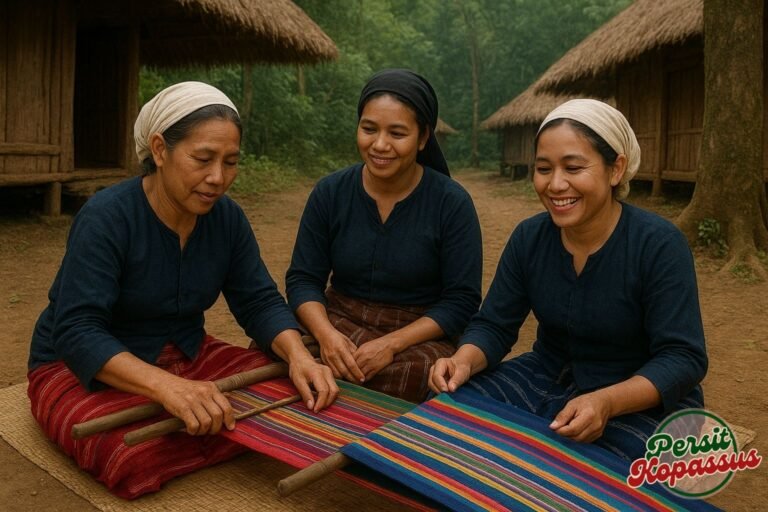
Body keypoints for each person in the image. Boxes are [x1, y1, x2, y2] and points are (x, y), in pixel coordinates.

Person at [27, 82, 337, 498]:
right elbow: (78, 330)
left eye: (230, 162)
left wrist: (300, 355)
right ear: (159, 150)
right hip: (83, 365)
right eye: (203, 159)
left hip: (184, 351)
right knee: (125, 452)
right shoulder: (107, 217)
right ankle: (206, 430)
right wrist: (166, 388)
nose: (218, 178)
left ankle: (200, 425)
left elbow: (257, 299)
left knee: (292, 395)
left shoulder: (226, 219)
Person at [429, 99, 708, 460]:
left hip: (637, 394)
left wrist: (606, 402)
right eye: (544, 169)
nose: (556, 184)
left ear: (616, 169)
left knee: (618, 475)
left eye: (573, 167)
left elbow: (683, 357)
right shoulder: (530, 238)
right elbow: (495, 324)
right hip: (545, 376)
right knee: (449, 421)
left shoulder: (658, 244)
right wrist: (463, 360)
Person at [286, 69, 482, 403]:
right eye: (369, 129)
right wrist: (327, 336)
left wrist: (391, 344)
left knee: (426, 375)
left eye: (397, 133)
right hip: (338, 320)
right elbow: (303, 279)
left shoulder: (452, 204)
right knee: (287, 352)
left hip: (416, 334)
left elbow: (460, 301)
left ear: (423, 139)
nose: (379, 145)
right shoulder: (330, 193)